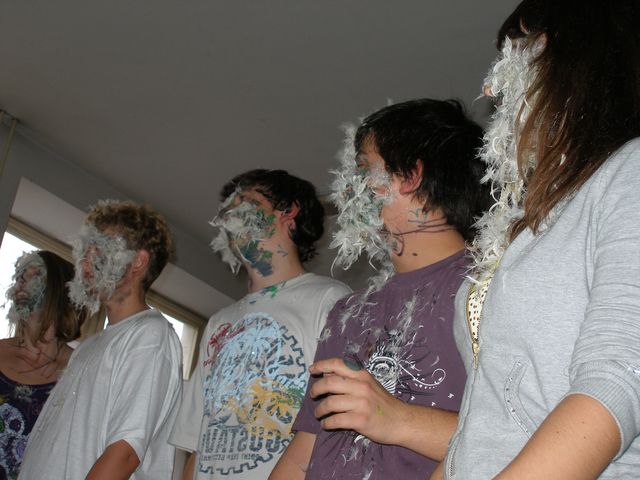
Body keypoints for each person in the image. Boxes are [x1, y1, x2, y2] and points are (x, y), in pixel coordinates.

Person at [439, 1, 640, 478]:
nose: (493, 86)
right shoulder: (521, 224)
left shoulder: (630, 172)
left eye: (522, 50)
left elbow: (619, 377)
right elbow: (481, 422)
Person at [271, 99, 490, 480]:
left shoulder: (489, 285)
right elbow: (306, 448)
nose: (345, 186)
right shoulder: (347, 311)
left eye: (362, 168)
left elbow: (518, 434)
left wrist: (397, 419)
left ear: (410, 176)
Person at [169, 169, 351, 480]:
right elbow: (197, 442)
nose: (228, 215)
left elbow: (335, 425)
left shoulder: (331, 300)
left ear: (288, 212)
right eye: (227, 208)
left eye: (244, 200)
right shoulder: (218, 323)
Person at [18, 200, 182, 479]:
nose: (85, 260)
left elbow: (125, 452)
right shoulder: (88, 347)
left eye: (99, 248)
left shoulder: (150, 335)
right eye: (86, 248)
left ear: (138, 262)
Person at [0, 250, 87, 479]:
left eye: (35, 275)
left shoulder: (80, 370)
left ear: (59, 292)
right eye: (21, 275)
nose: (22, 281)